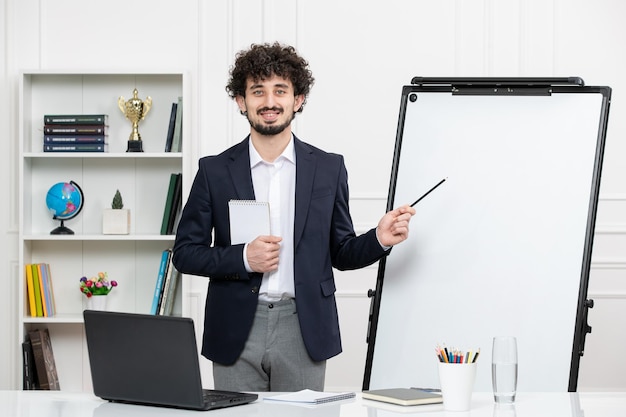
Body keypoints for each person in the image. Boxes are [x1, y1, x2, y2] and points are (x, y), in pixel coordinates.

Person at [172, 42, 415, 392]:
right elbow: (185, 253)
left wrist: (378, 237)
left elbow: (342, 252)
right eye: (258, 91)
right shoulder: (213, 172)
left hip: (303, 328)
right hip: (235, 328)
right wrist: (243, 257)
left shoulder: (329, 168)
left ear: (298, 99)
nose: (269, 101)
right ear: (241, 102)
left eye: (280, 90)